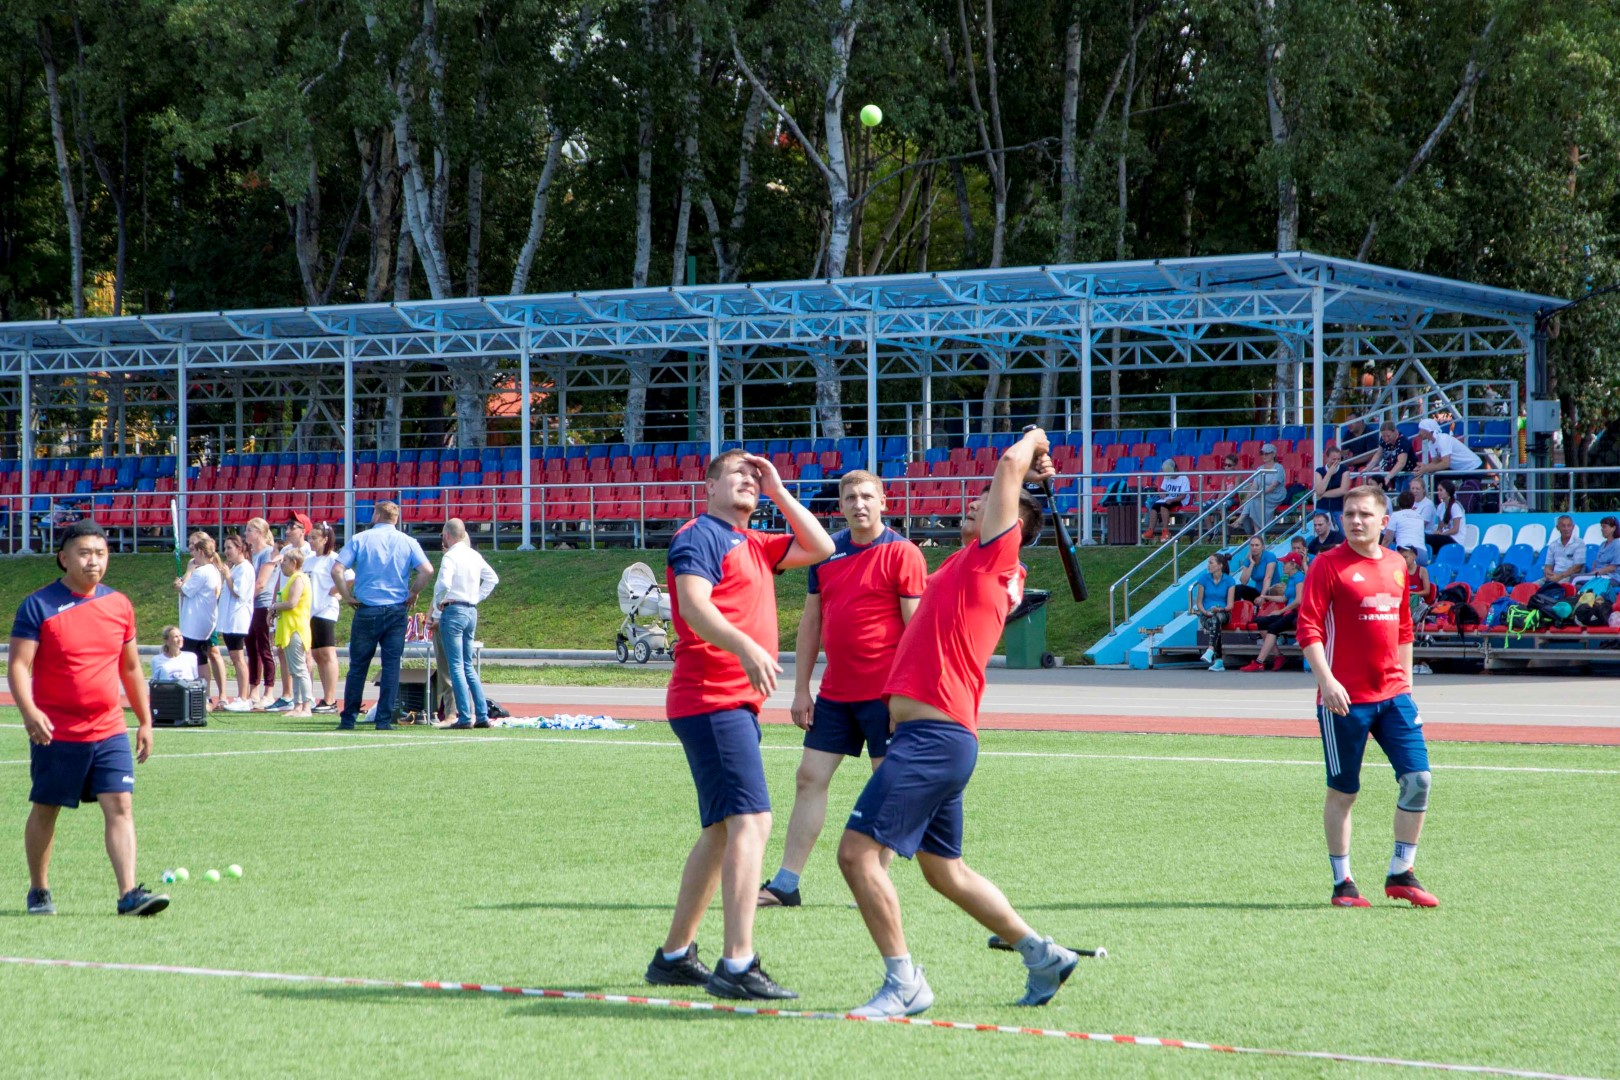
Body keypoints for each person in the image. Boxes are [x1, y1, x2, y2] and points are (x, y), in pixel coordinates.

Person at [836, 428, 1081, 1018]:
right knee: (944, 870)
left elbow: (1005, 466)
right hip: (935, 736)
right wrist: (1033, 478)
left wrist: (1037, 442)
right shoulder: (976, 561)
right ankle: (1041, 953)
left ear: (1011, 525)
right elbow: (1004, 482)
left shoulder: (998, 556)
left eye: (987, 503)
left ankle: (904, 984)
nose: (973, 504)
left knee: (856, 856)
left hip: (934, 735)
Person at [643, 450, 834, 1002]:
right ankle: (738, 962)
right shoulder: (699, 535)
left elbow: (821, 546)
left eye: (756, 476)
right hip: (711, 697)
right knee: (753, 822)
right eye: (739, 475)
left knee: (723, 830)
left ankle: (675, 956)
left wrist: (776, 490)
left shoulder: (755, 542)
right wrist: (746, 643)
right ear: (708, 486)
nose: (749, 481)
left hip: (730, 702)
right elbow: (695, 606)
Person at [759, 470, 926, 909]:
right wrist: (800, 690)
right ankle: (786, 883)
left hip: (886, 695)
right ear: (841, 503)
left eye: (867, 496)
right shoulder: (826, 553)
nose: (859, 503)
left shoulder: (903, 553)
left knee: (885, 786)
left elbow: (916, 632)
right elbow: (811, 623)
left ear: (884, 502)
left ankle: (875, 882)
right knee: (808, 778)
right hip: (835, 694)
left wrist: (905, 697)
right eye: (850, 497)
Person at [13, 520, 168, 917]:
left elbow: (131, 669)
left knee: (120, 804)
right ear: (64, 559)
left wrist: (145, 720)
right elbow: (18, 666)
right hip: (56, 731)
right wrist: (30, 711)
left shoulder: (119, 605)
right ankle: (39, 890)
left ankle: (128, 893)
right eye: (84, 553)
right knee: (47, 808)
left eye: (100, 553)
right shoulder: (38, 605)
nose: (93, 561)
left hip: (109, 728)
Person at [1296, 484, 1438, 910]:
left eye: (1364, 514)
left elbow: (1404, 629)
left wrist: (1407, 686)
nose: (1355, 521)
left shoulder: (1397, 565)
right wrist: (1327, 681)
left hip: (1394, 696)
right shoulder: (1326, 565)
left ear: (1384, 521)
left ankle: (1401, 872)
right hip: (1344, 700)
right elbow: (1309, 629)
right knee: (1344, 793)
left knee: (1419, 781)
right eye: (1349, 514)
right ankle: (1344, 884)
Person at [332, 501, 434, 732]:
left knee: (358, 666)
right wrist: (413, 592)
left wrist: (347, 595)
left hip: (367, 608)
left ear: (377, 515)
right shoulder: (408, 542)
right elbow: (427, 570)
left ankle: (348, 718)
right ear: (396, 519)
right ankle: (384, 720)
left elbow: (337, 569)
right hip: (396, 609)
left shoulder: (361, 538)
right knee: (391, 666)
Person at [431, 518, 500, 730]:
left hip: (453, 610)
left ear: (446, 536)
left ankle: (464, 717)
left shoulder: (450, 556)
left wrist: (437, 605)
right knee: (468, 665)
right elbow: (492, 579)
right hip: (471, 610)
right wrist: (476, 597)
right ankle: (481, 715)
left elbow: (443, 583)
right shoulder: (474, 555)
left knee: (456, 666)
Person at [270, 514, 316, 712]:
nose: (282, 563)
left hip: (296, 628)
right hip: (288, 628)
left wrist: (273, 607)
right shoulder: (292, 578)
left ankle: (305, 705)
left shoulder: (299, 578)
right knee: (295, 670)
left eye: (286, 561)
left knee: (300, 669)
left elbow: (291, 603)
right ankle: (297, 705)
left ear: (295, 563)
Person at [173, 531, 223, 704]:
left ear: (201, 552)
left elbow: (185, 590)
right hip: (204, 623)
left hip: (193, 624)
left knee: (189, 660)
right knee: (201, 659)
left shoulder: (202, 572)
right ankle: (205, 696)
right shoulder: (214, 570)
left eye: (194, 550)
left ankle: (192, 696)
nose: (192, 553)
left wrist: (184, 576)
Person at [1243, 551, 1307, 672]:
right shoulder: (1291, 578)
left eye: (1285, 563)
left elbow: (1299, 600)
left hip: (1297, 613)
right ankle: (1278, 655)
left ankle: (1259, 661)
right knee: (1261, 622)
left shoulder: (1299, 578)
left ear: (1293, 565)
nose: (1282, 565)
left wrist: (1280, 611)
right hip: (1289, 611)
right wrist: (1265, 597)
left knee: (1273, 627)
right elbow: (1284, 598)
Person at [304, 523, 344, 713]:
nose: (310, 541)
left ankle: (330, 699)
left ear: (325, 539)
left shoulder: (333, 559)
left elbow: (349, 577)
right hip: (310, 610)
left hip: (325, 610)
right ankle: (325, 697)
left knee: (327, 654)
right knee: (318, 655)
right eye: (309, 537)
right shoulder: (309, 559)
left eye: (314, 537)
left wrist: (334, 591)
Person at [242, 517, 279, 710]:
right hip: (251, 606)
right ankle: (253, 690)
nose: (246, 534)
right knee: (251, 648)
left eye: (250, 530)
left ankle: (269, 691)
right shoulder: (251, 555)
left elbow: (261, 582)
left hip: (262, 604)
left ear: (260, 533)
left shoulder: (267, 553)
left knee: (265, 648)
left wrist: (244, 599)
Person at [216, 534, 255, 712]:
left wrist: (227, 576)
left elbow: (240, 592)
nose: (226, 552)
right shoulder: (236, 567)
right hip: (229, 618)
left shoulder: (245, 568)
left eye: (229, 548)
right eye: (225, 548)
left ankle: (243, 697)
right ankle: (241, 696)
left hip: (238, 618)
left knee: (238, 657)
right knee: (234, 657)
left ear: (240, 549)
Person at [1191, 553, 1236, 672]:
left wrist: (1219, 609)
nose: (1208, 565)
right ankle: (1218, 661)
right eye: (1208, 563)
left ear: (1220, 565)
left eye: (1211, 563)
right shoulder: (1204, 579)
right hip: (1207, 615)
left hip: (1224, 613)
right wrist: (1205, 612)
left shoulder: (1229, 580)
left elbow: (1230, 605)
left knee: (1216, 618)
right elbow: (1199, 602)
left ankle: (1211, 650)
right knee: (1214, 622)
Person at [1236, 443, 1287, 535]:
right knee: (1253, 500)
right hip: (1261, 494)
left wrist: (1257, 494)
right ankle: (1256, 531)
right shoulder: (1259, 468)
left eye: (1266, 453)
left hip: (1276, 494)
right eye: (1262, 453)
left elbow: (1273, 486)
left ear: (1273, 454)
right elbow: (1255, 485)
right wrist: (1252, 492)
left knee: (1254, 500)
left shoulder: (1279, 468)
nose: (1264, 455)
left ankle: (1243, 521)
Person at [1412, 418, 1483, 479]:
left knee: (1468, 491)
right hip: (1461, 469)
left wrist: (1426, 468)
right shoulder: (1431, 443)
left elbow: (1445, 463)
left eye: (1421, 430)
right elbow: (1435, 463)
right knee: (1438, 477)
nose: (1419, 433)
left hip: (1473, 467)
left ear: (1428, 430)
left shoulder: (1443, 439)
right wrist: (1423, 467)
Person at [1147, 458, 1190, 541]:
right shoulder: (1167, 477)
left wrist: (1172, 500)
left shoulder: (1184, 478)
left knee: (1164, 506)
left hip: (1179, 500)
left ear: (1176, 469)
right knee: (1154, 507)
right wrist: (1162, 494)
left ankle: (1165, 531)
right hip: (1168, 499)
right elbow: (1162, 490)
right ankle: (1150, 530)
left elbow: (1183, 496)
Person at [1540, 514, 1586, 586]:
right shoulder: (1553, 545)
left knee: (1553, 587)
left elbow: (1577, 567)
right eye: (1563, 526)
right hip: (1554, 576)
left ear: (1573, 527)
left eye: (1569, 526)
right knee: (1532, 587)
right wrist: (1548, 572)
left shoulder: (1579, 543)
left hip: (1570, 576)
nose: (1566, 528)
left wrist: (1559, 576)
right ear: (1558, 528)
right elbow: (1548, 565)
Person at [1385, 491, 1429, 566]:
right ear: (1413, 503)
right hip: (1423, 555)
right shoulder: (1420, 517)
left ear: (1398, 503)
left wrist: (1379, 554)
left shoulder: (1395, 515)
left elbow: (1387, 539)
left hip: (1406, 553)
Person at [1425, 478, 1465, 558]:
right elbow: (1440, 527)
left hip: (1455, 539)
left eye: (1441, 490)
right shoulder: (1440, 506)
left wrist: (1441, 534)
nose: (1438, 492)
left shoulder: (1455, 506)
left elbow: (1455, 529)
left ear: (1448, 491)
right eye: (1438, 490)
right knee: (1426, 538)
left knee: (1430, 539)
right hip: (1445, 537)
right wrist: (1437, 532)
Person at [1231, 534, 1278, 603]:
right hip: (1258, 591)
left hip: (1271, 591)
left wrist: (1262, 596)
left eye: (1257, 545)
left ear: (1262, 547)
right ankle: (1236, 611)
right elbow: (1243, 581)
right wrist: (1252, 564)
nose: (1254, 548)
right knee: (1238, 588)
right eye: (1252, 545)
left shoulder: (1270, 556)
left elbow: (1268, 578)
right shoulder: (1249, 559)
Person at [1577, 516, 1620, 589]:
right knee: (1578, 586)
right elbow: (1596, 562)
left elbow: (1613, 567)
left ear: (1613, 528)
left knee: (1576, 579)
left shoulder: (1617, 545)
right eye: (1601, 527)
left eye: (1604, 527)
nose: (1602, 529)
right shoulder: (1603, 544)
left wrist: (1595, 573)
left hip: (1611, 577)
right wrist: (1593, 572)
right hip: (1599, 575)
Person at [1312, 447, 1353, 523]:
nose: (1336, 462)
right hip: (1322, 507)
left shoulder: (1344, 469)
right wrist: (1329, 473)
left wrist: (1322, 495)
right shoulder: (1319, 471)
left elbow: (1343, 490)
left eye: (1338, 459)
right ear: (1327, 458)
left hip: (1339, 507)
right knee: (1321, 530)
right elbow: (1319, 490)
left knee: (1343, 533)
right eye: (1334, 459)